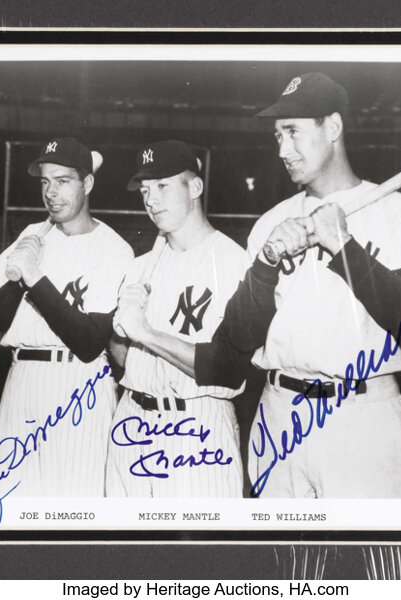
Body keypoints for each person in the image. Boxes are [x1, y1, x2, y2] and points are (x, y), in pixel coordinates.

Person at [119, 73, 401, 499]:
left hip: (362, 415)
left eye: (293, 132)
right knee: (278, 561)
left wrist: (344, 247)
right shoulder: (271, 223)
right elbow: (237, 340)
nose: (282, 149)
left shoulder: (399, 212)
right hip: (278, 413)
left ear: (333, 128)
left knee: (372, 560)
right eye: (277, 136)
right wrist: (266, 263)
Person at [0, 137, 133, 498]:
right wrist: (18, 277)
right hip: (22, 379)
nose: (51, 192)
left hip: (80, 386)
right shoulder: (32, 233)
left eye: (63, 181)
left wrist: (33, 276)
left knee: (76, 506)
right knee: (9, 504)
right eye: (45, 182)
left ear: (88, 184)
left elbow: (89, 341)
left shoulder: (113, 249)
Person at [107, 140, 250, 497]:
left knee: (195, 551)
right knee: (124, 549)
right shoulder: (139, 268)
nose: (150, 200)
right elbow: (123, 360)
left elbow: (227, 367)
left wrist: (146, 333)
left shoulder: (234, 263)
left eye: (162, 186)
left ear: (196, 187)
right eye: (144, 190)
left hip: (197, 425)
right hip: (132, 417)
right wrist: (120, 331)